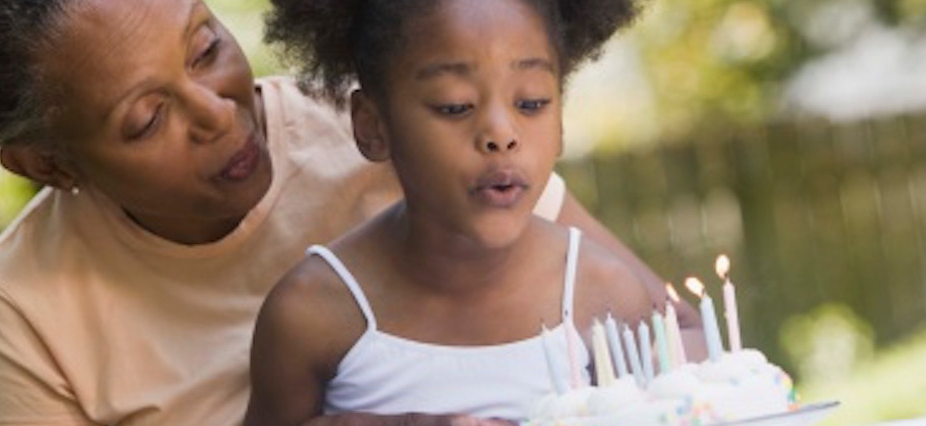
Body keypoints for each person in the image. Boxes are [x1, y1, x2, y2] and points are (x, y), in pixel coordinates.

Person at [0, 0, 697, 424]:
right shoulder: (20, 302)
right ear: (50, 165)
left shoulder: (394, 128)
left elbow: (675, 345)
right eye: (145, 119)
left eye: (205, 50)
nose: (217, 114)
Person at [244, 0, 668, 424]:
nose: (501, 134)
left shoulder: (604, 294)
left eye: (533, 102)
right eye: (454, 106)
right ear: (373, 126)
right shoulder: (310, 312)